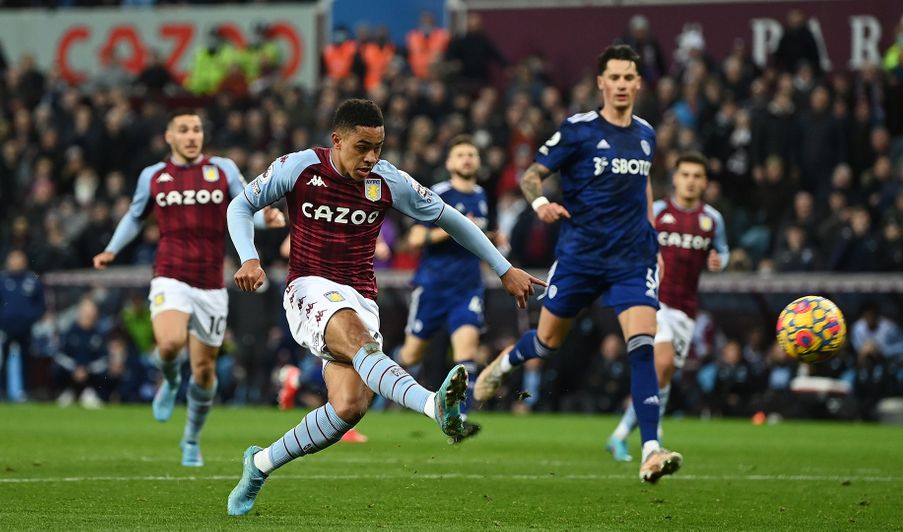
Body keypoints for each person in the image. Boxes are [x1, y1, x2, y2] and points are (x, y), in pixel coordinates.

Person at [225, 98, 543, 516]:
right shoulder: (298, 167)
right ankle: (434, 405)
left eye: (378, 147)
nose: (371, 157)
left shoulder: (387, 181)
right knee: (359, 343)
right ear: (337, 141)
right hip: (308, 287)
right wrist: (249, 256)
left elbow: (453, 220)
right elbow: (240, 205)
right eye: (362, 147)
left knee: (349, 408)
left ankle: (260, 463)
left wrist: (503, 268)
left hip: (360, 296)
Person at [472, 44, 683, 483]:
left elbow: (642, 188)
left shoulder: (646, 133)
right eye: (616, 78)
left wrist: (652, 237)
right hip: (581, 256)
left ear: (638, 84)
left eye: (630, 77)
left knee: (642, 345)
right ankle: (504, 363)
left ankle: (650, 448)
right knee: (547, 343)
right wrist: (543, 202)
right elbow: (532, 176)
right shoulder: (578, 130)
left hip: (631, 257)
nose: (623, 85)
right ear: (601, 83)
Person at [93, 109, 285, 467]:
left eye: (197, 129)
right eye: (184, 130)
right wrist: (111, 249)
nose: (192, 135)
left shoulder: (223, 169)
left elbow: (247, 205)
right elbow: (136, 217)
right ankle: (169, 378)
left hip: (211, 282)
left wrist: (266, 216)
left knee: (204, 372)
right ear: (169, 137)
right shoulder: (153, 176)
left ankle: (191, 439)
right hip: (169, 273)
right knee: (168, 344)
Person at [605, 152, 729, 461]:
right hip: (651, 300)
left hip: (686, 310)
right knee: (659, 363)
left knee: (663, 375)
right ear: (675, 178)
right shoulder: (657, 211)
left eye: (697, 176)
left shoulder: (712, 219)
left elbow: (723, 251)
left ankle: (620, 435)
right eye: (685, 174)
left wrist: (719, 261)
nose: (690, 181)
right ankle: (653, 438)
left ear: (705, 183)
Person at [398, 134, 490, 443]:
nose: (467, 159)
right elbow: (413, 239)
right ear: (449, 163)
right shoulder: (436, 194)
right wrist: (455, 227)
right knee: (410, 354)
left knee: (466, 353)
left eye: (471, 154)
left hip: (467, 287)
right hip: (433, 287)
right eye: (461, 154)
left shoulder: (481, 195)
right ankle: (367, 398)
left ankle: (458, 420)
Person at [0, 249, 45, 402]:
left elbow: (40, 304)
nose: (16, 262)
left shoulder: (32, 279)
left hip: (27, 328)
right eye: (13, 258)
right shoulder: (2, 280)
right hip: (5, 328)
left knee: (28, 360)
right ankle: (3, 391)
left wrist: (31, 318)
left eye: (19, 258)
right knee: (2, 360)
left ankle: (26, 391)